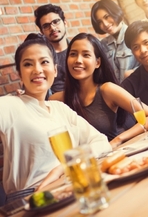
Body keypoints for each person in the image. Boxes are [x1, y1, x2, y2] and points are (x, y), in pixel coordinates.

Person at [0, 34, 112, 196]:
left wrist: (62, 168)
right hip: (34, 195)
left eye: (44, 62)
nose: (37, 70)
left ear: (54, 68)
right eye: (28, 64)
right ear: (19, 73)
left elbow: (101, 142)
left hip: (72, 184)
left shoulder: (60, 108)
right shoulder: (11, 106)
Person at [49, 33, 148, 147]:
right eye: (73, 54)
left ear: (97, 63)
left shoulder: (108, 90)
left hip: (112, 157)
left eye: (86, 55)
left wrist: (118, 140)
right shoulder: (56, 101)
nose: (78, 60)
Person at [90, 0, 139, 82]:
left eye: (107, 17)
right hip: (115, 92)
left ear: (115, 12)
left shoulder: (136, 35)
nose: (105, 24)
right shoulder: (102, 45)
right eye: (100, 22)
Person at [34, 4, 69, 94]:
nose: (52, 28)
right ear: (41, 32)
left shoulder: (80, 50)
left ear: (65, 23)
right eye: (46, 26)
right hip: (54, 104)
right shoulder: (41, 59)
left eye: (56, 22)